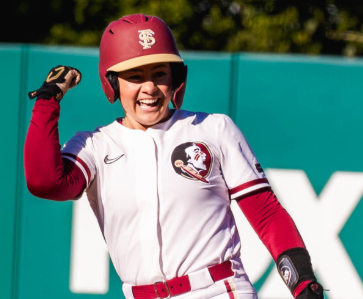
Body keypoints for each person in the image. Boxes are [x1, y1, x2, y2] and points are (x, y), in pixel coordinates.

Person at [24, 14, 324, 299]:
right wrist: (48, 102)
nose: (150, 87)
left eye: (159, 73)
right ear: (112, 82)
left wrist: (302, 281)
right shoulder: (94, 145)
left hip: (218, 289)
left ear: (175, 77)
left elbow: (265, 213)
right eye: (134, 76)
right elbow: (45, 183)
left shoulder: (213, 128)